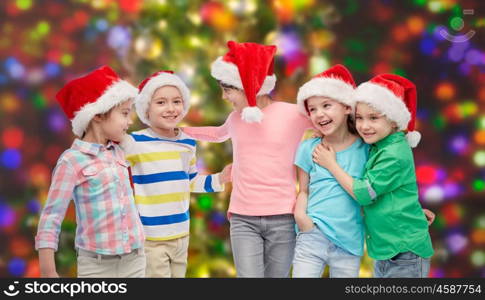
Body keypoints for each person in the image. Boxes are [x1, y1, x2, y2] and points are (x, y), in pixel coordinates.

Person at [182, 41, 314, 277]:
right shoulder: (235, 119)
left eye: (228, 89)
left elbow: (327, 122)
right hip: (243, 219)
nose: (224, 96)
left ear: (248, 85)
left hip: (283, 217)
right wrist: (178, 131)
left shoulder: (293, 114)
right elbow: (217, 134)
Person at [312, 73, 434, 278]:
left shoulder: (394, 154)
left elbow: (365, 193)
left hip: (405, 253)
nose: (364, 126)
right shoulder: (379, 144)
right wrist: (327, 133)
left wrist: (331, 165)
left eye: (373, 118)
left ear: (395, 121)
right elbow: (395, 191)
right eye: (359, 117)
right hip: (387, 250)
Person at [35, 65, 146, 278]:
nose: (130, 121)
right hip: (96, 266)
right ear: (97, 115)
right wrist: (48, 272)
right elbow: (51, 217)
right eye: (124, 113)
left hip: (136, 260)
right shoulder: (72, 161)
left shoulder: (120, 150)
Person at [121, 70, 232, 277]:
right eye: (161, 102)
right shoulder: (134, 142)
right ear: (146, 108)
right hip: (151, 237)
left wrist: (219, 178)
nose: (171, 109)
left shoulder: (187, 142)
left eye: (177, 101)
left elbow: (190, 181)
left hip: (181, 233)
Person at [292, 64, 367, 278]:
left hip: (349, 242)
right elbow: (303, 190)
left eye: (326, 105)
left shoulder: (366, 149)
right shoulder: (308, 148)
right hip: (311, 235)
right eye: (313, 109)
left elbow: (373, 191)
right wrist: (301, 216)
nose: (319, 114)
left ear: (346, 107)